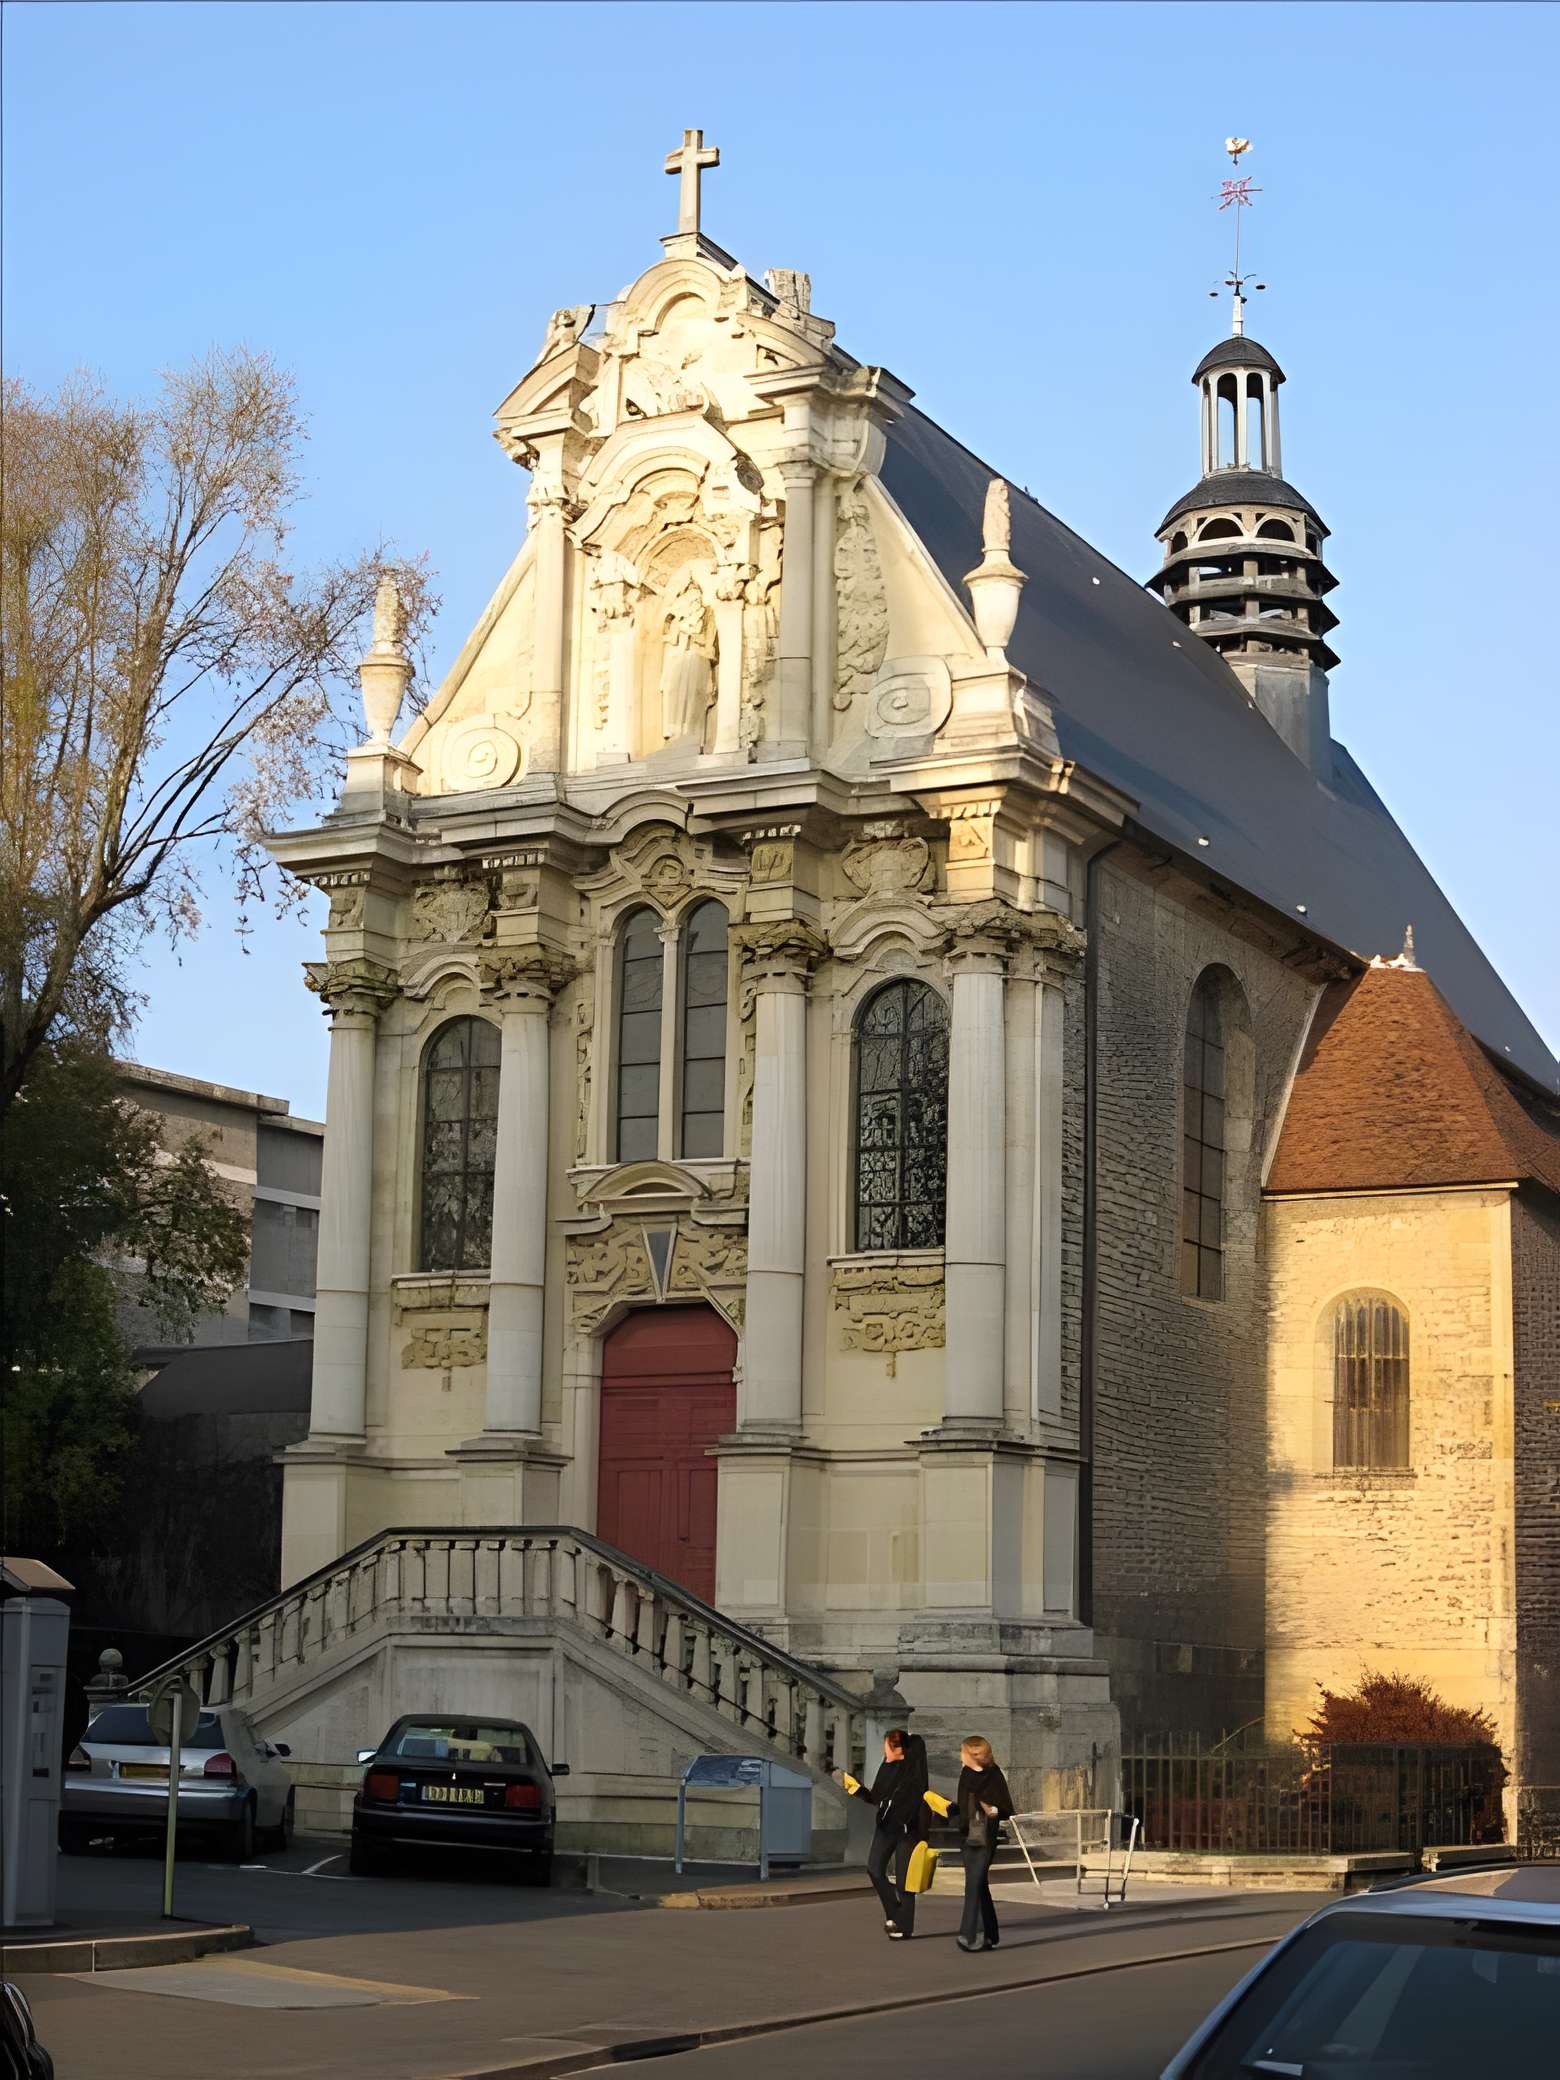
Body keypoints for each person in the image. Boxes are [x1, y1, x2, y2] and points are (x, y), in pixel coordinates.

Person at [837, 1728, 929, 1939]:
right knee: (874, 1869)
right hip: (886, 1827)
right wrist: (855, 1788)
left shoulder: (913, 1773)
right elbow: (876, 1797)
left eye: (886, 1745)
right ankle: (895, 1913)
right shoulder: (886, 1767)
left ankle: (903, 1927)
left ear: (898, 1749)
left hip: (907, 1831)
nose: (883, 1749)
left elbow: (916, 1801)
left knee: (904, 1881)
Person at [954, 1734, 1014, 1953]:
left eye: (963, 1752)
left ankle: (968, 1935)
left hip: (985, 1837)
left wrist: (993, 1810)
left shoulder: (994, 1775)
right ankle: (989, 1934)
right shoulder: (966, 1774)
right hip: (967, 1836)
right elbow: (962, 1806)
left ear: (973, 1754)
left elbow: (1006, 1808)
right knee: (979, 1885)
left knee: (974, 1884)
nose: (960, 1756)